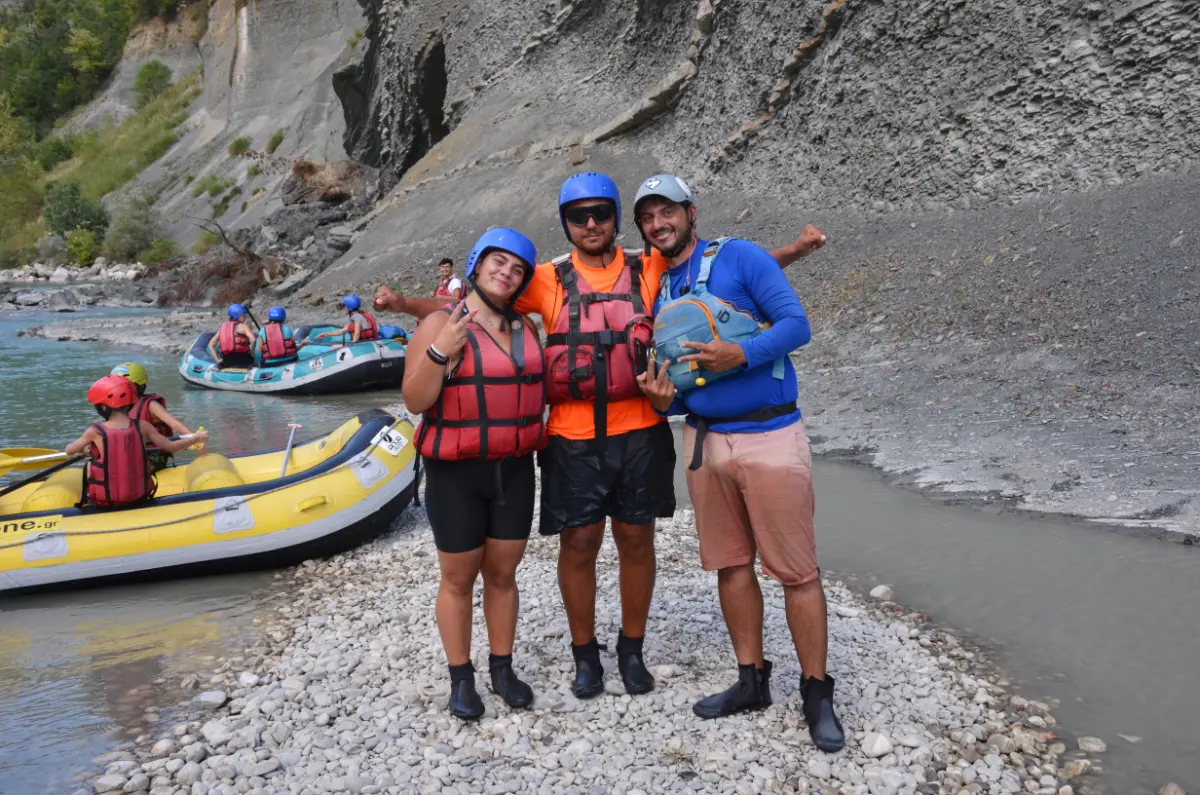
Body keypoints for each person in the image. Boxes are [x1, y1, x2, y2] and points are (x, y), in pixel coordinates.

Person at [372, 176, 829, 699]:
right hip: (571, 435)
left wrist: (791, 251)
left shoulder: (648, 264)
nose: (591, 224)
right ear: (566, 223)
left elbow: (727, 280)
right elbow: (479, 302)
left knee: (636, 540)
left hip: (640, 430)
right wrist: (406, 306)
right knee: (580, 542)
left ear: (614, 218)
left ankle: (630, 649)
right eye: (578, 216)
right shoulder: (544, 279)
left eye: (601, 214)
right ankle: (585, 654)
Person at [633, 174, 844, 752]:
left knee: (797, 572)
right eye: (648, 218)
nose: (658, 223)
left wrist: (742, 352)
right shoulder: (661, 291)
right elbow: (680, 382)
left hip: (771, 434)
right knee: (731, 565)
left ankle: (816, 692)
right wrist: (664, 402)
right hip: (703, 441)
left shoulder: (743, 257)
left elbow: (797, 326)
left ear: (689, 212)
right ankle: (751, 680)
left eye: (666, 211)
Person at [402, 228, 545, 720]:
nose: (506, 272)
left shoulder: (528, 328)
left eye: (517, 268)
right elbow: (415, 400)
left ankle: (502, 669)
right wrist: (442, 351)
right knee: (459, 578)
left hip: (514, 470)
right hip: (456, 474)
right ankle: (461, 678)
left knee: (503, 574)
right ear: (477, 265)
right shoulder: (440, 323)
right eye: (497, 262)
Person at [66, 376, 208, 509]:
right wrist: (196, 438)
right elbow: (172, 446)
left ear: (103, 408)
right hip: (139, 497)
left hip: (107, 502)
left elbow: (69, 451)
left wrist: (85, 451)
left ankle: (86, 505)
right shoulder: (143, 426)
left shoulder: (94, 432)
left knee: (91, 464)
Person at [110, 362, 203, 472]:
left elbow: (173, 423)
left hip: (154, 456)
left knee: (125, 464)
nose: (119, 390)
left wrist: (194, 439)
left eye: (123, 387)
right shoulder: (118, 408)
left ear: (138, 386)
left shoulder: (151, 405)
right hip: (133, 455)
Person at [309, 296, 380, 346]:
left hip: (367, 344)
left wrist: (353, 343)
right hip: (372, 342)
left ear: (349, 307)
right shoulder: (363, 315)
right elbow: (342, 331)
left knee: (334, 347)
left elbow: (357, 333)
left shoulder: (357, 317)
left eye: (344, 306)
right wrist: (326, 334)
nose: (344, 308)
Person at [207, 304, 256, 369]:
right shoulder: (243, 326)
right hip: (243, 360)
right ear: (238, 315)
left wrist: (217, 360)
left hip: (227, 361)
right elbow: (253, 340)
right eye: (243, 315)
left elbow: (211, 344)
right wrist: (251, 353)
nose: (245, 317)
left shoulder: (222, 328)